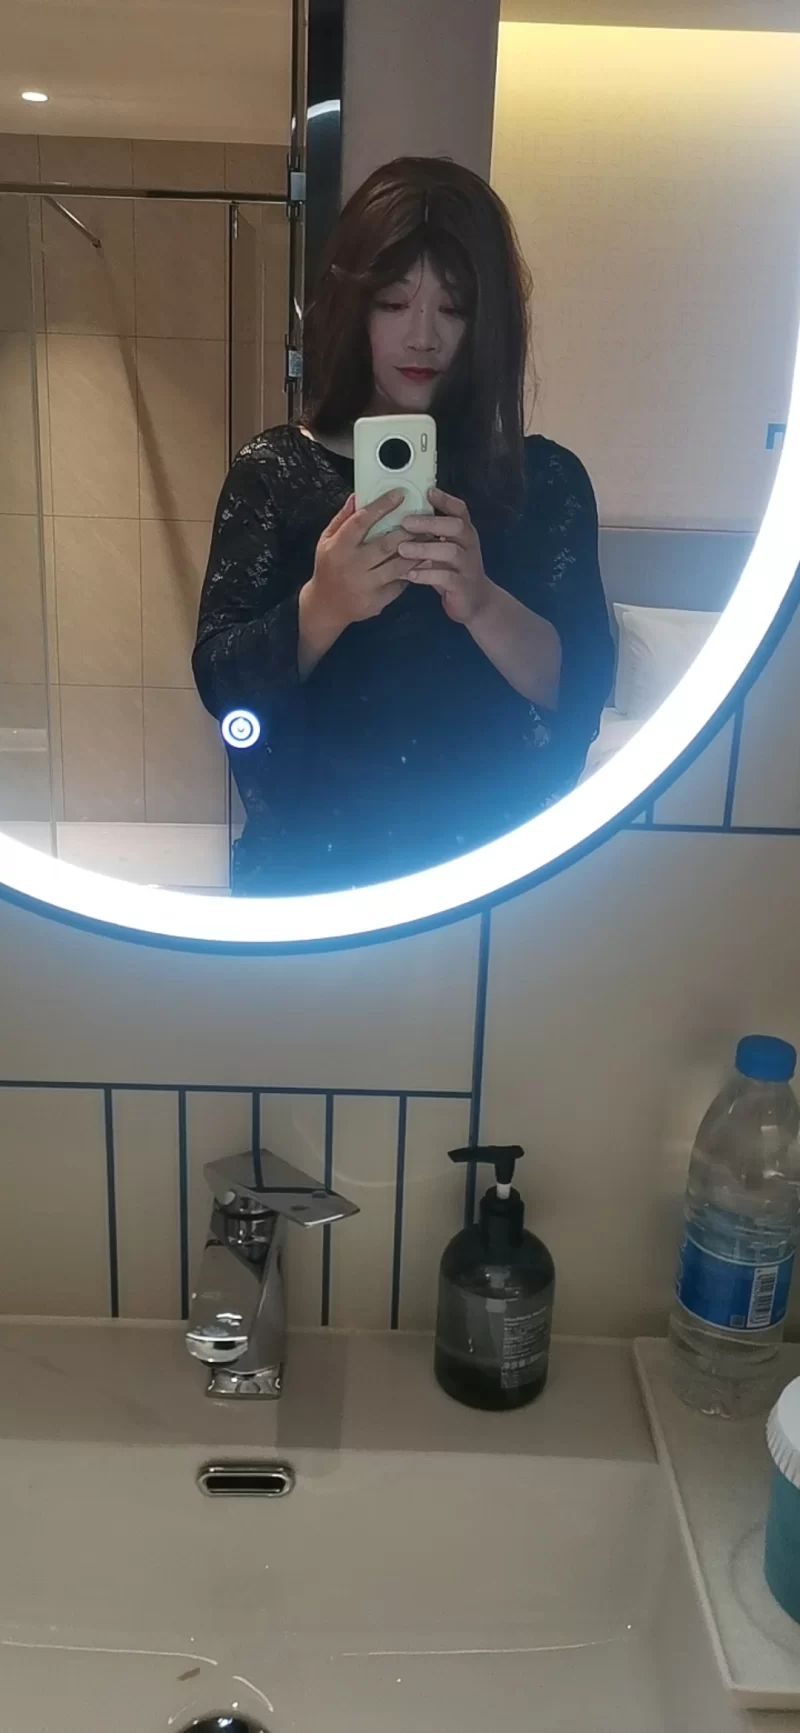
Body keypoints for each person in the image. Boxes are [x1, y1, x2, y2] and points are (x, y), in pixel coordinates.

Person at [193, 155, 614, 894]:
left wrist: (481, 602)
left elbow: (580, 687)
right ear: (350, 306)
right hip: (313, 889)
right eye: (393, 302)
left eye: (454, 308)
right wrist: (322, 607)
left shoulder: (542, 482)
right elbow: (222, 685)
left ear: (490, 323)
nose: (422, 337)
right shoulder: (275, 473)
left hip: (490, 888)